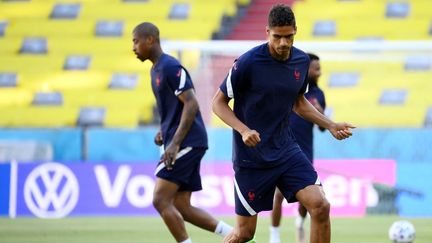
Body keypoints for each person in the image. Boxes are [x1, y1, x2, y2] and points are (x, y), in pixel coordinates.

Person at [212, 4, 354, 243]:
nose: (283, 44)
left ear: (295, 31)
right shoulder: (247, 63)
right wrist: (243, 129)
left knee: (320, 206)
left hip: (286, 151)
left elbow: (299, 103)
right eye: (277, 37)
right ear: (267, 31)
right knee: (245, 233)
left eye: (288, 37)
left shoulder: (300, 61)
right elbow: (218, 103)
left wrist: (329, 124)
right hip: (252, 158)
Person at [132, 22, 232, 243]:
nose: (133, 47)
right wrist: (163, 130)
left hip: (187, 141)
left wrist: (174, 143)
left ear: (150, 40)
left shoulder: (170, 66)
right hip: (182, 140)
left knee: (160, 199)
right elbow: (173, 108)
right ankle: (235, 235)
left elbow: (191, 103)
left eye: (136, 41)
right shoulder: (155, 70)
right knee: (181, 205)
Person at [269, 53, 327, 243]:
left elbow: (321, 126)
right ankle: (275, 236)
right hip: (284, 147)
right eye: (315, 68)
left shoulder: (319, 95)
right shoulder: (292, 88)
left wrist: (319, 110)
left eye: (319, 68)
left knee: (307, 197)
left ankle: (300, 222)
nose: (319, 72)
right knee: (278, 194)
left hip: (304, 150)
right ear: (305, 69)